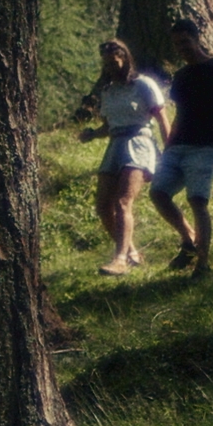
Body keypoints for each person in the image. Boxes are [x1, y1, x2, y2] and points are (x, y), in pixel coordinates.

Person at [152, 16, 213, 275]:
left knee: (197, 200)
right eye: (177, 44)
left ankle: (203, 263)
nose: (182, 48)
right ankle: (188, 241)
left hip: (206, 146)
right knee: (158, 193)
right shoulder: (181, 76)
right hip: (177, 147)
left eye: (186, 42)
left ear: (197, 39)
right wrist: (168, 144)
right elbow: (179, 114)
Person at [86, 38, 169, 276]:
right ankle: (132, 252)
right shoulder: (108, 91)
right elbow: (108, 126)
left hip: (139, 144)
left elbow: (162, 119)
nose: (110, 68)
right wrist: (92, 134)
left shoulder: (143, 85)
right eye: (106, 64)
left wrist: (170, 151)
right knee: (103, 206)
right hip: (115, 146)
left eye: (114, 62)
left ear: (124, 59)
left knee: (123, 201)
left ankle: (120, 260)